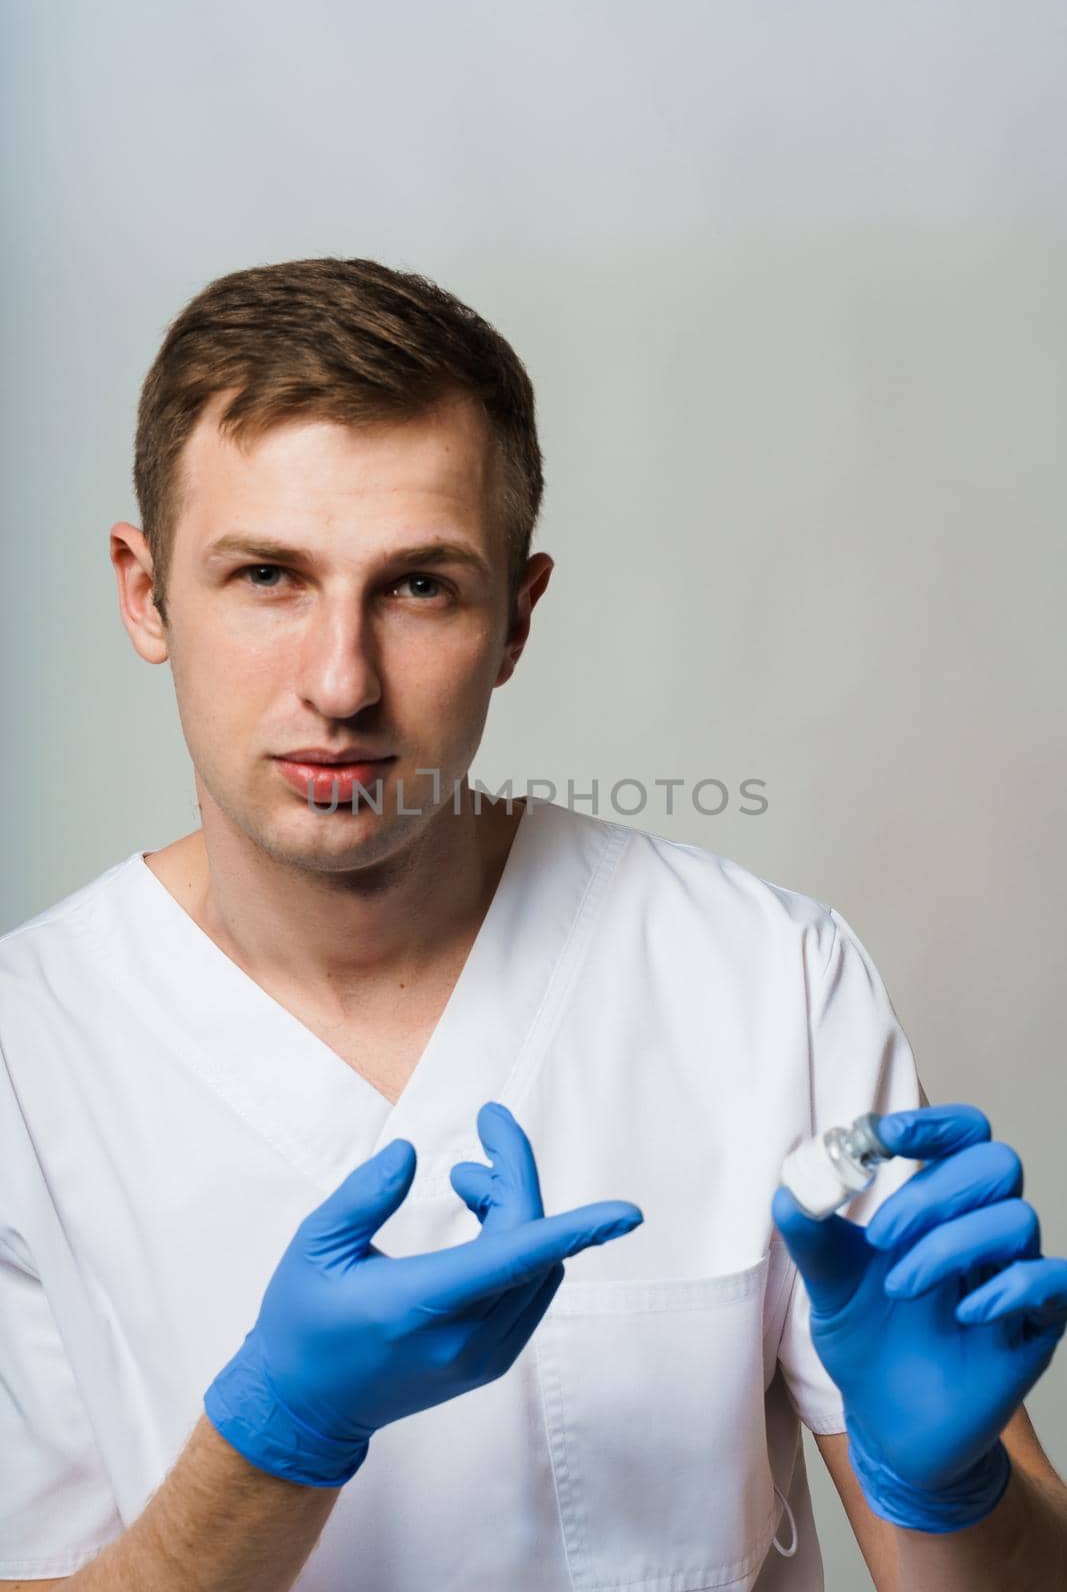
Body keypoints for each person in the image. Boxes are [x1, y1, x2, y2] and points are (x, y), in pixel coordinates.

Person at [0, 257, 1064, 1592]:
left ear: (517, 616)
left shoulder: (763, 982)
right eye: (268, 575)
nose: (341, 683)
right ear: (145, 593)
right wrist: (276, 1438)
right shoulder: (26, 1059)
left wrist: (954, 1490)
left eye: (421, 586)